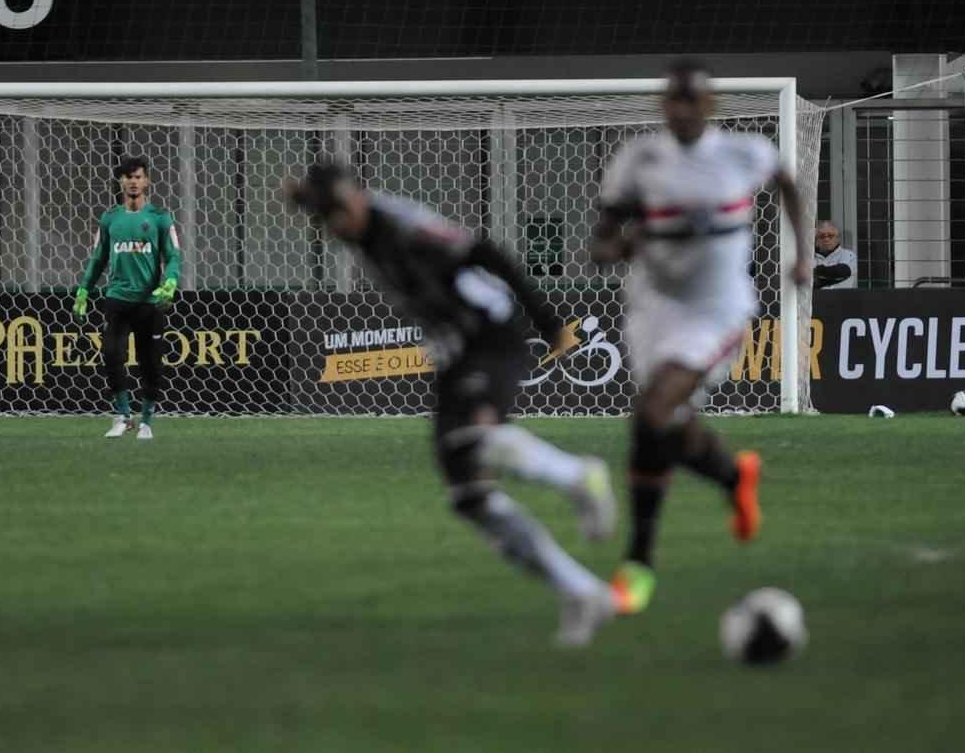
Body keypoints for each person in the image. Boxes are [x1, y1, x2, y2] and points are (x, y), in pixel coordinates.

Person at [284, 162, 617, 646]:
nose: (336, 225)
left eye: (339, 210)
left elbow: (487, 252)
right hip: (454, 355)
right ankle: (583, 592)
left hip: (491, 335)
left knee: (481, 439)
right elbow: (321, 200)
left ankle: (579, 476)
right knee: (470, 498)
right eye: (326, 217)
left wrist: (548, 321)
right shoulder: (351, 221)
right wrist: (302, 196)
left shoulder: (403, 223)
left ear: (360, 193)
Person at [590, 58, 810, 614]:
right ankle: (735, 476)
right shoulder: (638, 160)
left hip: (716, 310)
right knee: (668, 422)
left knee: (653, 413)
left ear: (711, 105)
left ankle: (638, 563)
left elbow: (787, 183)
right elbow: (602, 240)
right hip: (652, 307)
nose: (681, 108)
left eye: (691, 99)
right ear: (663, 105)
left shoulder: (743, 152)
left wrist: (802, 253)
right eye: (672, 99)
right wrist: (617, 248)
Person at [74, 154, 181, 440]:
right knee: (111, 354)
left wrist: (170, 281)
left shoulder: (160, 217)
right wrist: (85, 287)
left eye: (138, 176)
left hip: (150, 302)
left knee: (151, 364)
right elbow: (99, 258)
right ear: (120, 181)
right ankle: (123, 416)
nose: (133, 182)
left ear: (146, 181)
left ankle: (146, 421)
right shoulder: (110, 218)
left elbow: (172, 257)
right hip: (117, 298)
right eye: (128, 177)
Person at [813, 221, 857, 289]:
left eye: (830, 235)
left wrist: (815, 272)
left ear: (838, 238)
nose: (826, 239)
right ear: (817, 239)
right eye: (822, 236)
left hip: (841, 298)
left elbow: (842, 272)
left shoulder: (849, 255)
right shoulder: (808, 257)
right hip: (816, 299)